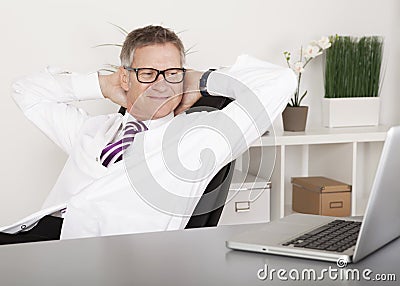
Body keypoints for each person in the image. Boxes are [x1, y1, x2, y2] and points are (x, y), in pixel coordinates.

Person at [2, 25, 296, 241]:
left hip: (102, 257)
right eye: (147, 73)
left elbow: (280, 81)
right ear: (125, 77)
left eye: (172, 73)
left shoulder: (199, 138)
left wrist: (202, 79)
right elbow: (26, 92)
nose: (161, 85)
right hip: (37, 236)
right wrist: (103, 85)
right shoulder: (92, 130)